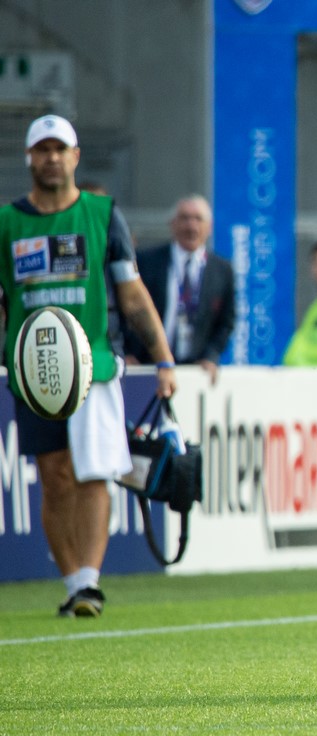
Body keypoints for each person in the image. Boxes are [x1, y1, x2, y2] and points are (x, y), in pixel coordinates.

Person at [0, 114, 177, 617]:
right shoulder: (6, 223)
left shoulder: (102, 214)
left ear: (76, 157)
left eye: (61, 149)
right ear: (29, 158)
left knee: (94, 473)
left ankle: (90, 584)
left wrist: (163, 358)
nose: (52, 158)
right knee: (54, 475)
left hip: (93, 365)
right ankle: (74, 579)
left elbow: (133, 294)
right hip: (32, 372)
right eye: (43, 149)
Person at [124, 194, 235, 384]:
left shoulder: (222, 270)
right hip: (146, 365)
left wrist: (211, 355)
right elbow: (126, 308)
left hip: (195, 370)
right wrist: (126, 352)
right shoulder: (145, 262)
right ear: (172, 224)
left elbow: (226, 322)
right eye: (184, 218)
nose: (191, 226)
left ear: (209, 228)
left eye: (198, 219)